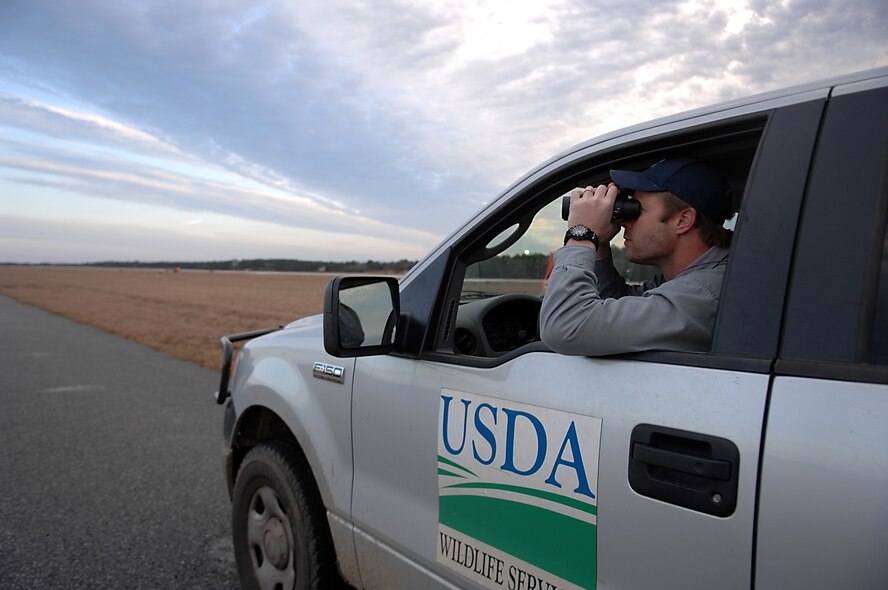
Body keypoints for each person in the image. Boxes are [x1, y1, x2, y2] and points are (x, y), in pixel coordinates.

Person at [539, 157, 733, 355]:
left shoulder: (705, 294)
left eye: (636, 209)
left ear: (683, 220)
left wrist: (582, 233)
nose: (624, 221)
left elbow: (567, 327)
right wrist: (598, 241)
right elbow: (614, 308)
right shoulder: (684, 280)